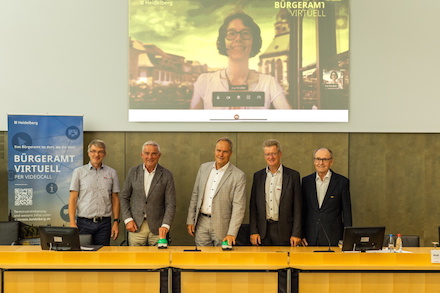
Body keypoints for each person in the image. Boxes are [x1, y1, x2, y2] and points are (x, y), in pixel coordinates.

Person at [190, 11, 291, 109]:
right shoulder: (205, 82)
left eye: (246, 33)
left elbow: (290, 119)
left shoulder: (269, 83)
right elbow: (192, 123)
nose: (238, 38)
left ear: (253, 41)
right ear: (223, 41)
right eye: (231, 33)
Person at [186, 137, 246, 246]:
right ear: (215, 150)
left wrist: (232, 233)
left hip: (223, 226)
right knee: (201, 259)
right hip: (201, 223)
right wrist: (190, 219)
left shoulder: (238, 175)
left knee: (221, 261)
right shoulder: (204, 168)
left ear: (231, 153)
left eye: (225, 151)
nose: (221, 154)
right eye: (218, 150)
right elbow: (195, 195)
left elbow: (239, 207)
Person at [120, 141, 176, 246]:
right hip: (136, 226)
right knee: (135, 260)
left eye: (154, 153)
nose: (150, 157)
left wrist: (165, 225)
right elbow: (124, 197)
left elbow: (170, 203)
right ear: (142, 155)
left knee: (158, 261)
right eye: (146, 153)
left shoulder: (167, 175)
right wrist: (128, 220)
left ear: (159, 155)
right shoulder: (133, 172)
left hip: (158, 228)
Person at [249, 139, 302, 247]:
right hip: (263, 232)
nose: (271, 157)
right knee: (263, 263)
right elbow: (253, 207)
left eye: (273, 153)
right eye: (267, 154)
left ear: (280, 154)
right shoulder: (258, 176)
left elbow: (298, 208)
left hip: (285, 232)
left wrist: (296, 233)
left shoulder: (293, 176)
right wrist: (253, 231)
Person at [69, 139, 120, 246]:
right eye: (93, 151)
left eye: (100, 151)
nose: (96, 154)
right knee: (83, 257)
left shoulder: (112, 173)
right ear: (88, 153)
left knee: (102, 257)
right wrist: (72, 223)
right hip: (83, 223)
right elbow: (73, 198)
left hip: (104, 224)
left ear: (104, 154)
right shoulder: (78, 172)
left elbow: (115, 198)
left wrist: (116, 222)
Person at [301, 148, 352, 247]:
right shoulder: (306, 181)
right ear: (314, 161)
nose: (321, 163)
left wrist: (347, 237)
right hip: (310, 237)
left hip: (333, 237)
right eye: (318, 159)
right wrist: (301, 234)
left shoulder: (342, 182)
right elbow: (302, 211)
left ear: (331, 162)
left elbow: (346, 213)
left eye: (325, 159)